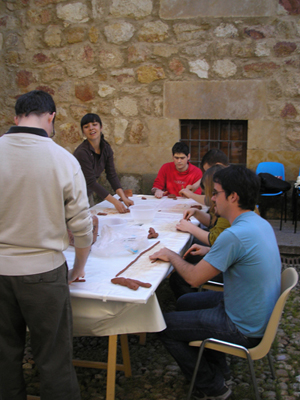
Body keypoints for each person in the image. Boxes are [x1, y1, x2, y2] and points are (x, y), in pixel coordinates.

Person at [149, 165, 281, 399]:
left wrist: (171, 255)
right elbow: (241, 254)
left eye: (216, 192)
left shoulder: (234, 235)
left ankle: (212, 387)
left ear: (233, 196)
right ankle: (219, 369)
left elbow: (192, 278)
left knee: (163, 325)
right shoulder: (258, 223)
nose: (211, 198)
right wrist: (211, 249)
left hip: (243, 326)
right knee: (187, 302)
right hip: (252, 309)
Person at [0, 90, 93, 400]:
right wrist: (79, 267)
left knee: (4, 356)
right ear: (51, 116)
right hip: (44, 273)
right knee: (54, 358)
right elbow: (82, 225)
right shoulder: (62, 160)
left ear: (16, 118)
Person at [170, 165, 230, 299]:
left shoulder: (231, 212)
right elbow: (217, 231)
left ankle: (195, 299)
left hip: (232, 282)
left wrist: (171, 256)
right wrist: (196, 213)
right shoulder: (244, 216)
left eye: (213, 193)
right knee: (189, 253)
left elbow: (215, 239)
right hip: (229, 264)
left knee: (179, 277)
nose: (211, 199)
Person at [74, 113, 134, 212]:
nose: (91, 128)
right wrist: (115, 202)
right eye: (86, 127)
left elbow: (111, 174)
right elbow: (91, 182)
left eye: (94, 124)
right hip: (74, 196)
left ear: (101, 127)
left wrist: (123, 197)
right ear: (83, 132)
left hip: (87, 194)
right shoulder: (82, 152)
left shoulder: (106, 148)